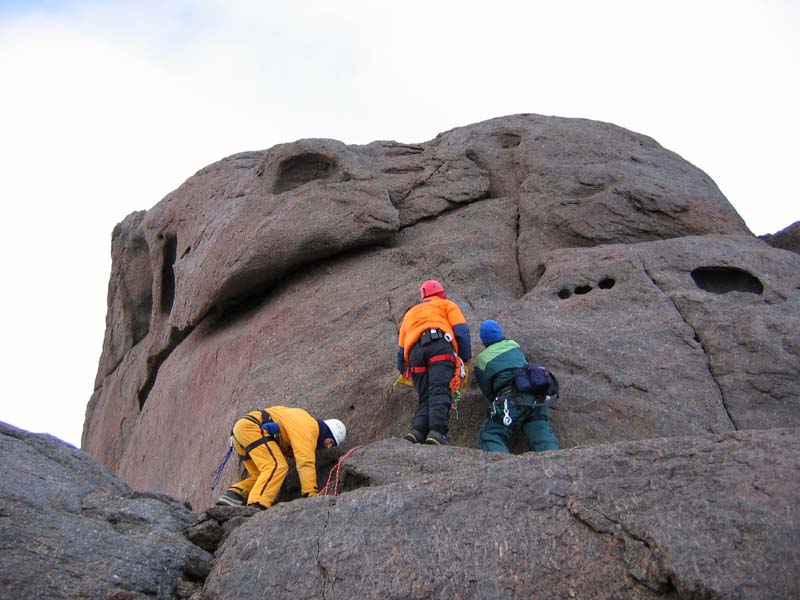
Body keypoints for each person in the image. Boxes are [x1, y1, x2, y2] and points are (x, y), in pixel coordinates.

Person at [215, 406, 346, 509]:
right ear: (327, 431)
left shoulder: (302, 422)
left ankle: (233, 495)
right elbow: (305, 461)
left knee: (262, 475)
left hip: (242, 431)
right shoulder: (309, 428)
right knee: (277, 466)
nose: (329, 447)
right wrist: (310, 493)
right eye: (331, 441)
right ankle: (257, 503)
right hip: (252, 427)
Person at [397, 279, 471, 445]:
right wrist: (465, 360)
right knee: (439, 390)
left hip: (415, 353)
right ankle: (437, 433)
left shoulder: (410, 313)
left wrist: (403, 370)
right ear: (442, 293)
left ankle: (417, 432)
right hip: (439, 346)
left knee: (425, 397)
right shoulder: (446, 305)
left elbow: (401, 349)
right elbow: (462, 331)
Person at [474, 319, 559, 453]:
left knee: (490, 434)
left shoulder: (482, 359)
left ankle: (503, 469)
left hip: (510, 399)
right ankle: (556, 462)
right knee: (541, 435)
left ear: (483, 340)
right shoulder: (514, 345)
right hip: (536, 396)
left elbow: (488, 390)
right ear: (500, 332)